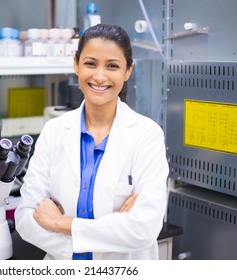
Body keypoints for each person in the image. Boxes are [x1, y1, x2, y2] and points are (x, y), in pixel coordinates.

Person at [15, 23, 169, 260]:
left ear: (127, 71)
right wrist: (103, 235)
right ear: (76, 65)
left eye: (112, 66)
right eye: (90, 63)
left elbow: (143, 229)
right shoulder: (55, 131)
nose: (99, 76)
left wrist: (60, 222)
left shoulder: (147, 135)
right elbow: (26, 217)